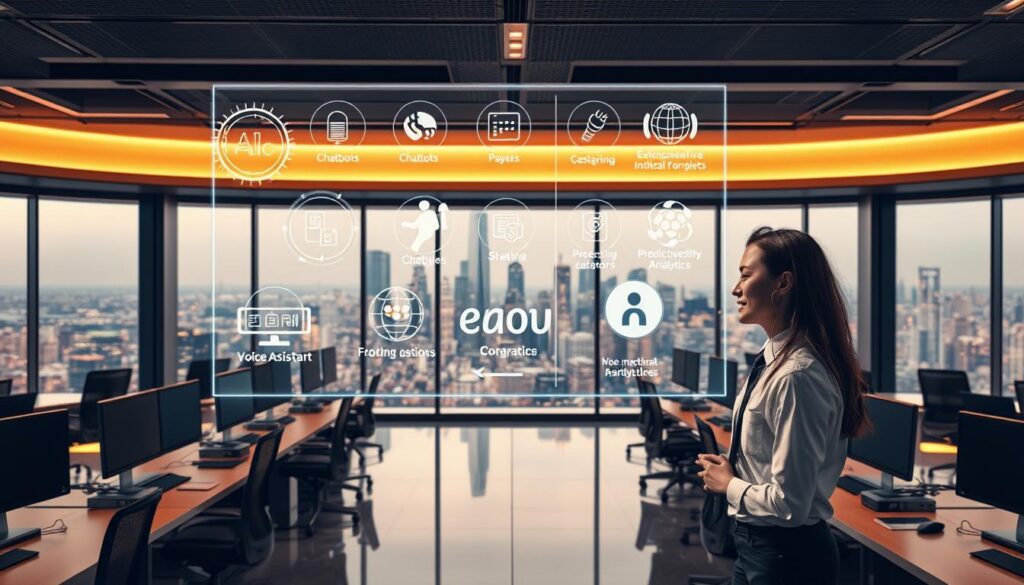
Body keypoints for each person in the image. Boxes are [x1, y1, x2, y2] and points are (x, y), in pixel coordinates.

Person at [695, 227, 868, 585]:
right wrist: (736, 468)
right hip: (760, 547)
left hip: (787, 557)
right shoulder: (772, 362)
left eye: (746, 274)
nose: (735, 289)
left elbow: (790, 504)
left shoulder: (796, 376)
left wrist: (728, 485)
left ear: (783, 283)